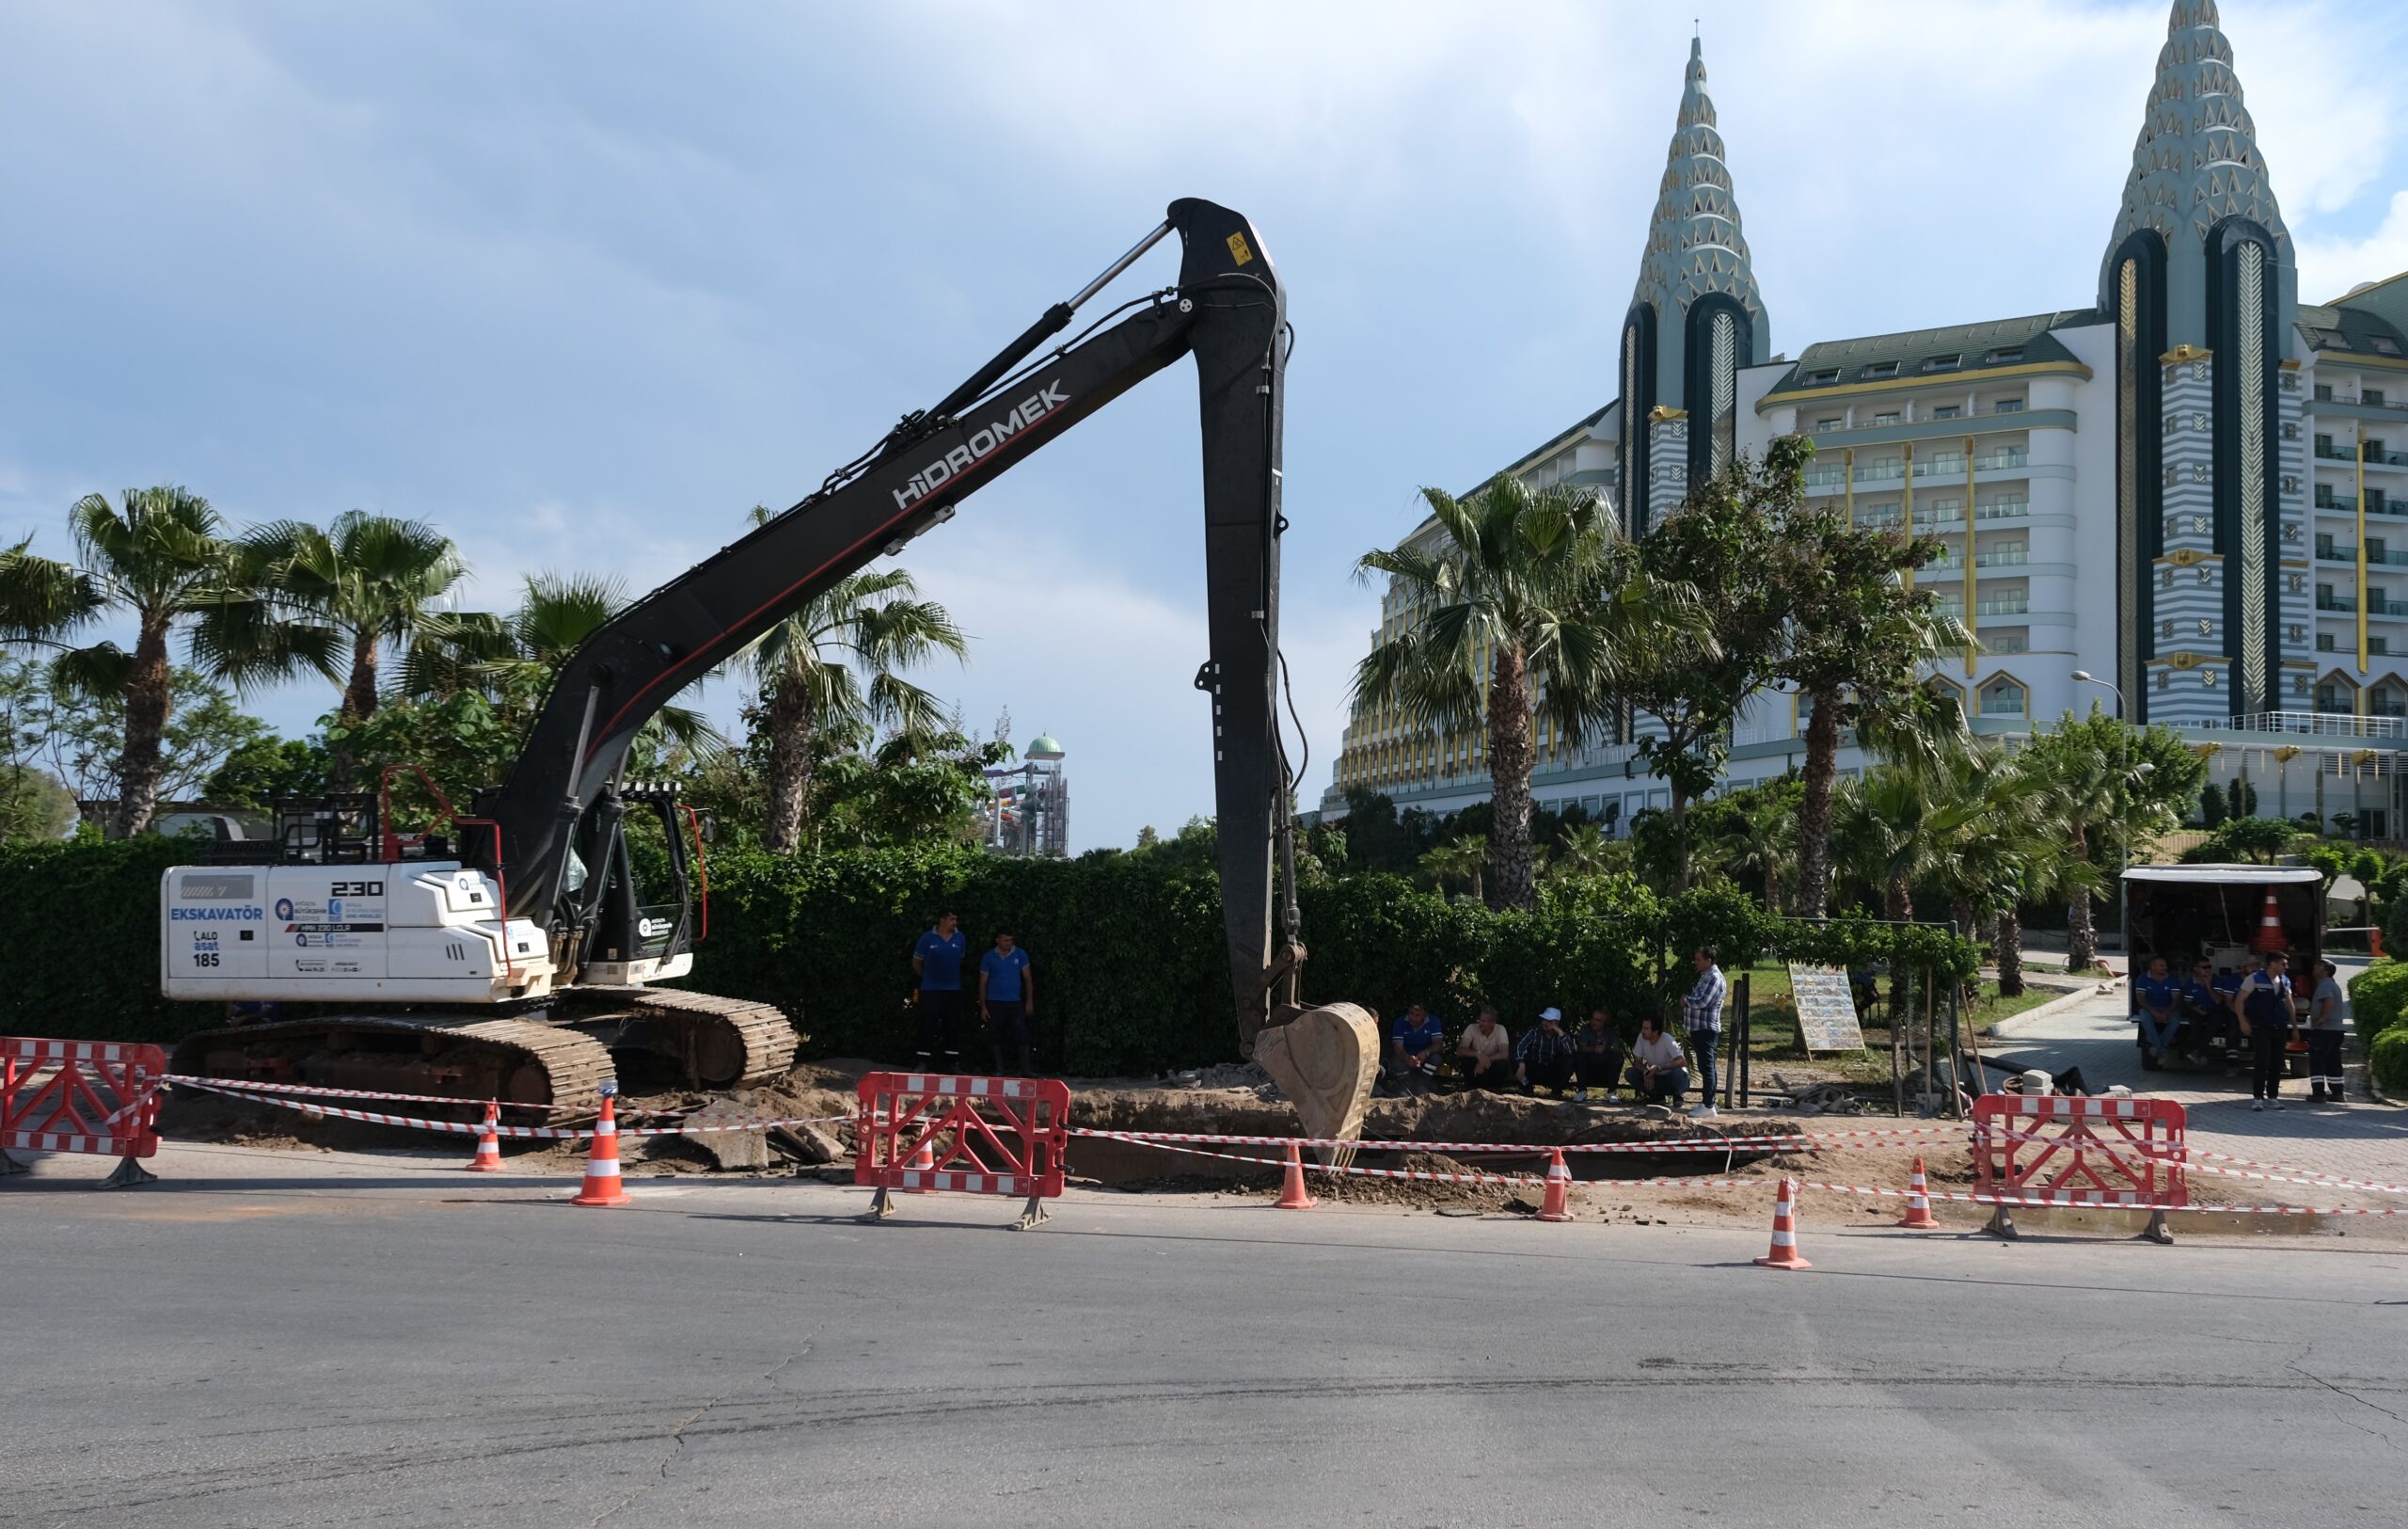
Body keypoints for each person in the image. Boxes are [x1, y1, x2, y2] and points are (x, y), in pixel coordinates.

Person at [911, 912, 969, 1073]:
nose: (955, 922)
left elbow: (960, 958)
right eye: (952, 919)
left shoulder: (960, 938)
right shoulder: (927, 938)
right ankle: (922, 1061)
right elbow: (916, 963)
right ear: (942, 920)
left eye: (956, 919)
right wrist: (927, 977)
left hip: (953, 990)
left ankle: (952, 1063)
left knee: (953, 1025)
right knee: (927, 1024)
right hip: (930, 990)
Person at [2236, 951, 2294, 1111]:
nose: (2286, 967)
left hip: (2279, 1025)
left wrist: (2294, 1027)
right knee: (2262, 1061)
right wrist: (2243, 1021)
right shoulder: (2254, 979)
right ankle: (2258, 1098)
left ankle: (2273, 1097)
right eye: (2283, 964)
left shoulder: (2285, 981)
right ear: (2273, 964)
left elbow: (2289, 1004)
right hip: (2260, 1026)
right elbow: (2240, 999)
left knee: (2277, 1062)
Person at [977, 928, 1035, 1076]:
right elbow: (983, 983)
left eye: (1011, 940)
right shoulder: (988, 957)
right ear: (998, 940)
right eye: (1005, 940)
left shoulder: (1020, 954)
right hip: (994, 1002)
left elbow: (1027, 979)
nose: (1009, 943)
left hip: (1014, 1001)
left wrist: (1029, 1001)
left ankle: (1025, 1070)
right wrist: (983, 1006)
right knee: (995, 1035)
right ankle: (999, 1070)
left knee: (1021, 1034)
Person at [1681, 946, 1727, 1120]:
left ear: (1709, 960)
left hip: (1706, 1029)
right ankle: (1711, 1102)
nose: (1696, 962)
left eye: (1699, 959)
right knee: (1706, 1066)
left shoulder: (1714, 978)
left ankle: (1708, 1105)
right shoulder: (1706, 976)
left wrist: (1686, 1000)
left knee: (1707, 1067)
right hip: (1699, 1028)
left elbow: (1703, 1001)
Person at [2306, 958, 2348, 1106]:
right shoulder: (2332, 984)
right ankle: (2338, 1092)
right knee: (2333, 1062)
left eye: (2318, 967)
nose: (2314, 969)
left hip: (2325, 1030)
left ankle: (2318, 1093)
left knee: (2317, 1061)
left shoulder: (2325, 985)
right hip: (2336, 1031)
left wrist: (2322, 1018)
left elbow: (2328, 1000)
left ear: (2326, 971)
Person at [1625, 1016, 1690, 1108]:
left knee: (1678, 1073)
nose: (1643, 1031)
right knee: (1630, 1073)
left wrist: (1659, 1068)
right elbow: (1637, 1062)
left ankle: (1678, 1096)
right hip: (1655, 1077)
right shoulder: (1641, 1037)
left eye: (1646, 1029)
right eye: (1643, 1027)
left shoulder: (1667, 1039)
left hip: (1671, 1077)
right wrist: (1645, 1071)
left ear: (1655, 1032)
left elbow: (1682, 1061)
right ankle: (1657, 1097)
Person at [1514, 1007, 1579, 1097]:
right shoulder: (1534, 1031)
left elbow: (1569, 1052)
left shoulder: (1562, 1035)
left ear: (1556, 1023)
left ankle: (1557, 1091)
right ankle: (1527, 1088)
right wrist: (1521, 1064)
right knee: (1517, 1059)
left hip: (1552, 1070)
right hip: (1535, 1068)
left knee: (1569, 1061)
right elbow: (1520, 1046)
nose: (1544, 1023)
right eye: (1544, 1020)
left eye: (1549, 1021)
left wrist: (1559, 1032)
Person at [1386, 1003, 1447, 1094]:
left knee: (1436, 1059)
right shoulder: (1400, 1022)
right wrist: (1407, 1058)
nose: (1413, 1018)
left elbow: (1438, 1044)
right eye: (1411, 1013)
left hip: (1425, 1057)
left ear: (1425, 1015)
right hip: (1406, 1056)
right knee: (1396, 1060)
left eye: (1417, 1015)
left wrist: (1426, 1053)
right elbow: (1397, 1047)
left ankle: (1422, 1084)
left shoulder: (1433, 1021)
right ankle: (1406, 1085)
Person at [2132, 954, 2181, 1068]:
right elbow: (2140, 998)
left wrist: (2166, 1012)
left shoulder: (2172, 979)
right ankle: (2161, 1050)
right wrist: (2154, 1012)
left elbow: (2176, 999)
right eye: (2161, 966)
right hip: (2149, 1008)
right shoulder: (2143, 978)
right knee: (2145, 1018)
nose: (2165, 967)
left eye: (2165, 965)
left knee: (2175, 1021)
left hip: (2168, 1008)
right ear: (2153, 967)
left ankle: (2158, 1047)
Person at [1454, 1008, 1514, 1091]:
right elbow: (1460, 1051)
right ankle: (1471, 1087)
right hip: (1476, 1066)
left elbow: (1504, 1053)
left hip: (1491, 1065)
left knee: (1502, 1063)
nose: (1480, 1023)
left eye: (1484, 1021)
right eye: (1480, 1020)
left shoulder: (1500, 1029)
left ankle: (1495, 1089)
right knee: (1465, 1060)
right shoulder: (1471, 1028)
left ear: (1493, 1023)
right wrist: (1477, 1054)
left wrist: (1485, 1059)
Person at [1571, 1008, 1623, 1104]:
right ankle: (1582, 1091)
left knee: (1617, 1057)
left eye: (1598, 1020)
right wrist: (1593, 1048)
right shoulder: (1586, 1029)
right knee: (1579, 1056)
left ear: (1604, 1022)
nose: (1594, 1022)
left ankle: (1611, 1092)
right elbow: (1581, 1048)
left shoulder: (1610, 1032)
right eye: (1593, 1019)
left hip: (1605, 1070)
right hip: (1589, 1069)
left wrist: (1606, 1048)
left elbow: (1617, 1048)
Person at [2178, 959, 2224, 1062]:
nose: (2207, 970)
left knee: (2214, 1023)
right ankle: (2200, 1052)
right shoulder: (2190, 983)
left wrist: (2208, 985)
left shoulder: (2216, 980)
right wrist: (2195, 1009)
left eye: (2209, 967)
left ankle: (2197, 1051)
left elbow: (2218, 1001)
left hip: (2214, 1010)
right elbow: (2188, 1002)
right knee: (2194, 1024)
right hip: (2197, 1009)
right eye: (2204, 967)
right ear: (2196, 969)